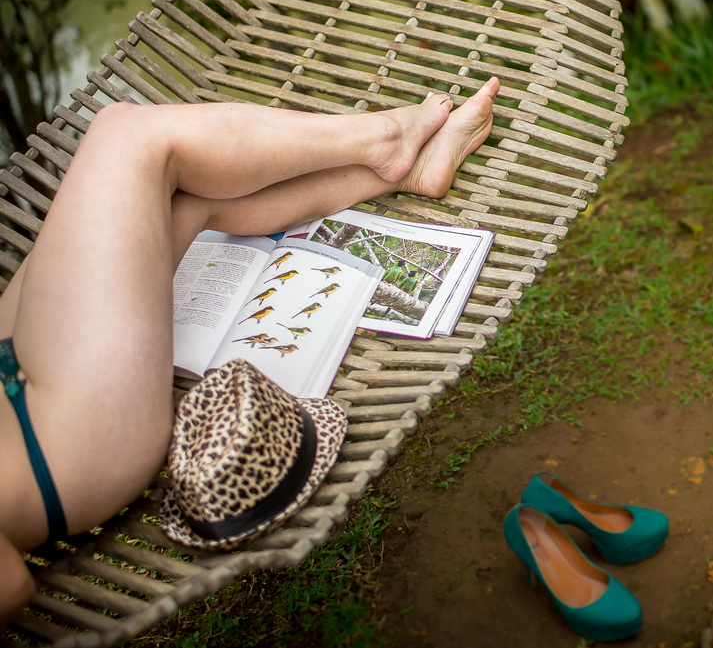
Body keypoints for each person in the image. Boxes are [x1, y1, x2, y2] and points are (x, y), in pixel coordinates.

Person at [0, 78, 500, 625]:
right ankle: (382, 138)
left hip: (17, 363)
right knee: (127, 134)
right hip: (58, 442)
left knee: (188, 202)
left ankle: (408, 167)